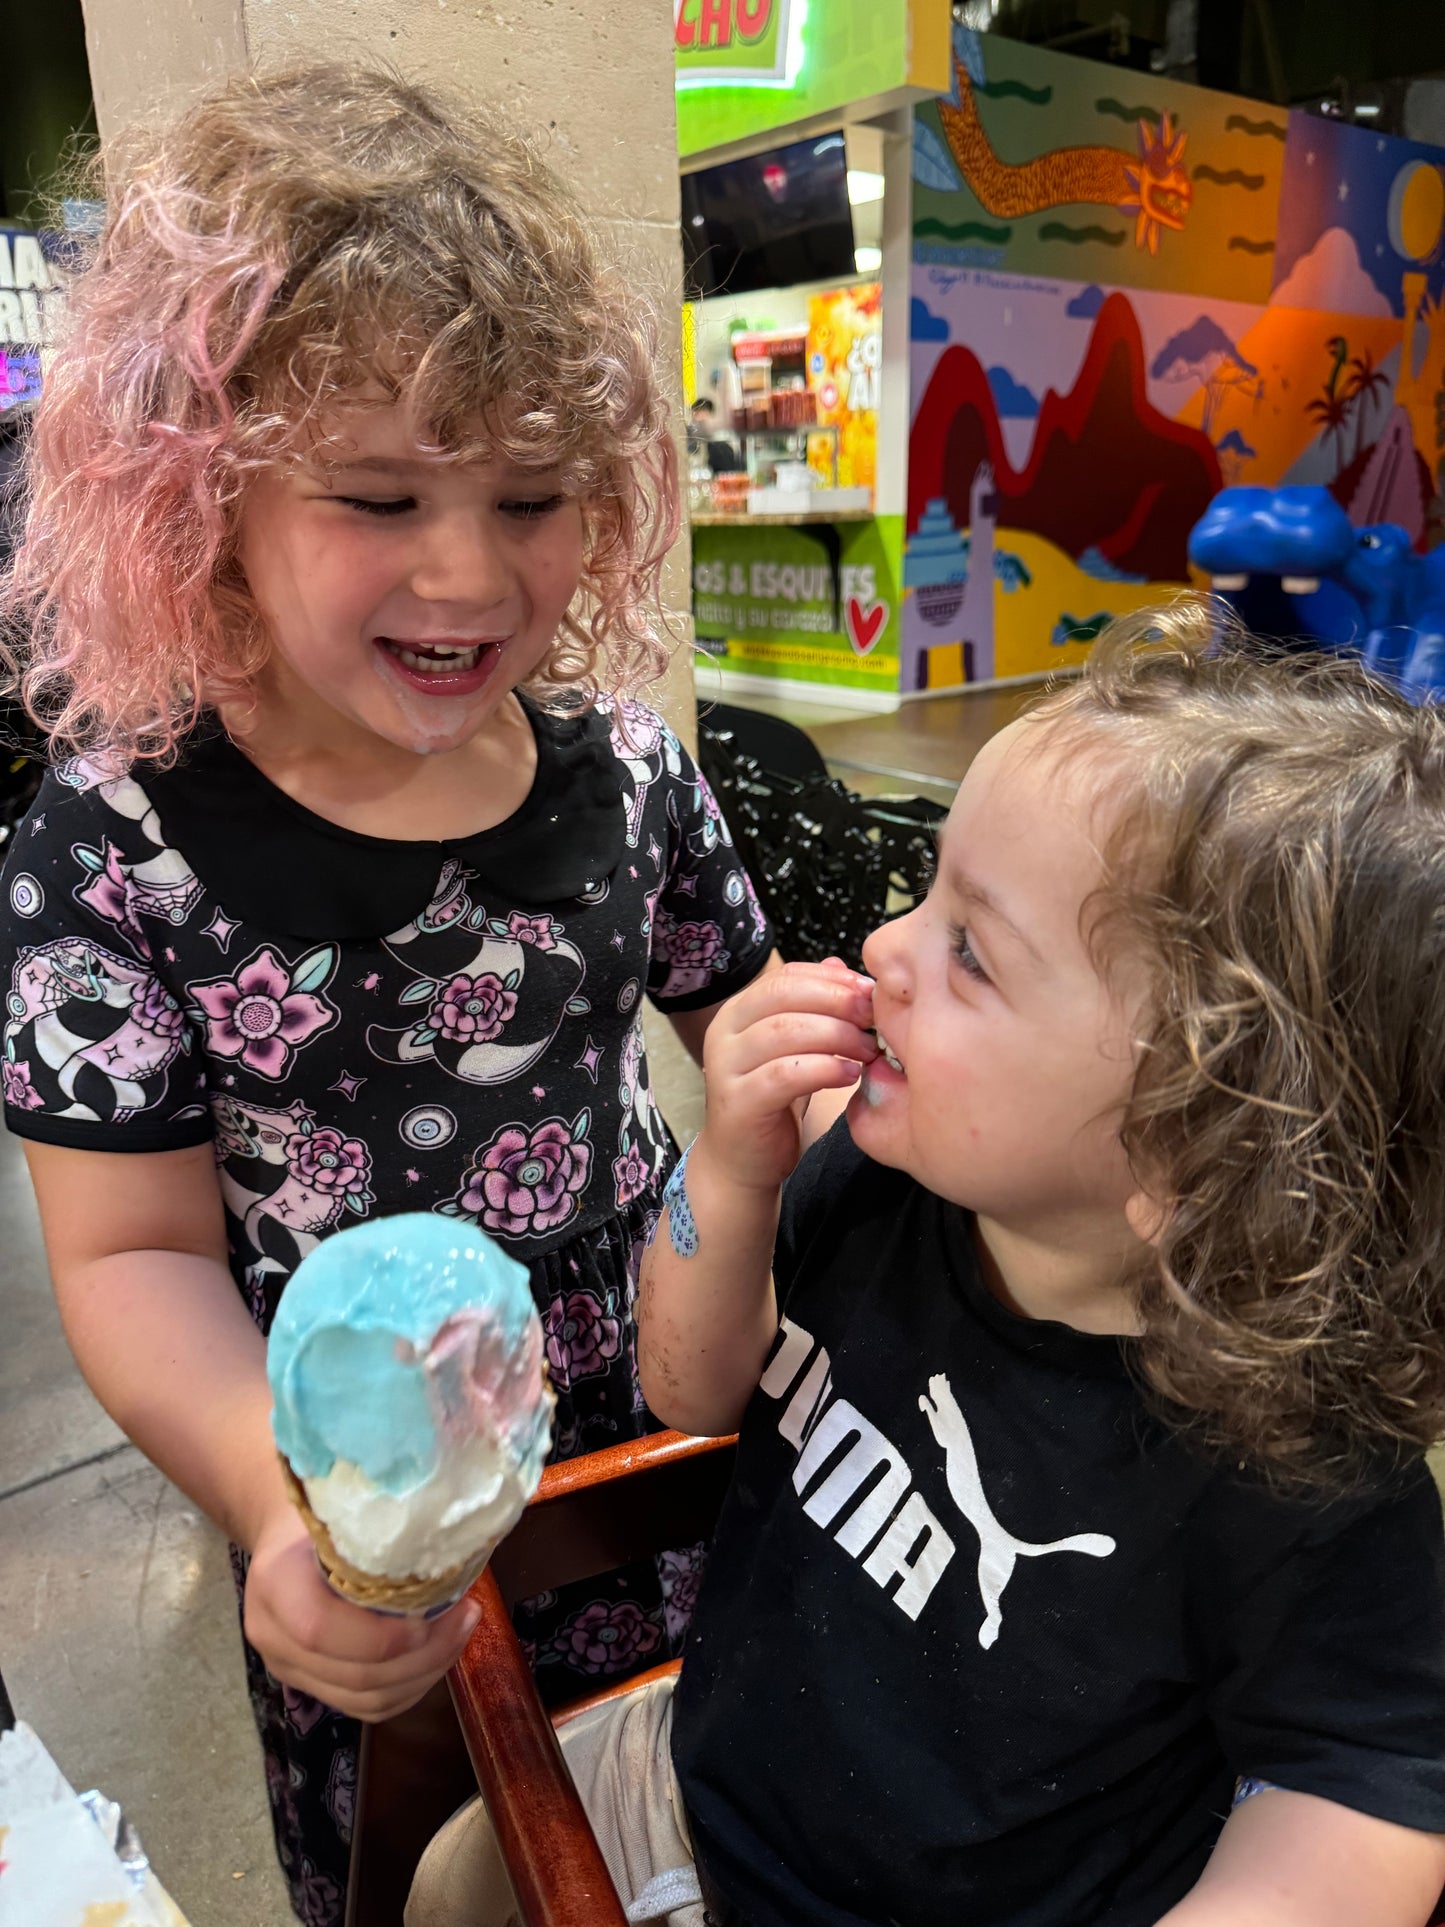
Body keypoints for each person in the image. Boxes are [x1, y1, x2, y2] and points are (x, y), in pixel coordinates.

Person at [0, 64, 776, 1927]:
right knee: (418, 1855)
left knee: (667, 1818)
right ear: (203, 496)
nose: (467, 570)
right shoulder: (114, 843)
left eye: (531, 497)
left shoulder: (626, 774)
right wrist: (284, 1511)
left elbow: (745, 1031)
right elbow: (132, 1257)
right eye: (377, 493)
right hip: (349, 1488)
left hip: (643, 1434)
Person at [409, 605, 1445, 1927]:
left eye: (970, 950)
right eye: (930, 888)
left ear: (1194, 1140)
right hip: (705, 1787)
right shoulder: (887, 1182)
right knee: (453, 1880)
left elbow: (1358, 1798)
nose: (887, 945)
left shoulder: (1297, 1458)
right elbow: (687, 1385)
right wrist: (731, 1171)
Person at [687, 396, 741, 474]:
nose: (698, 421)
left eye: (703, 420)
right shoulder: (689, 441)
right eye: (696, 415)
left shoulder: (722, 448)